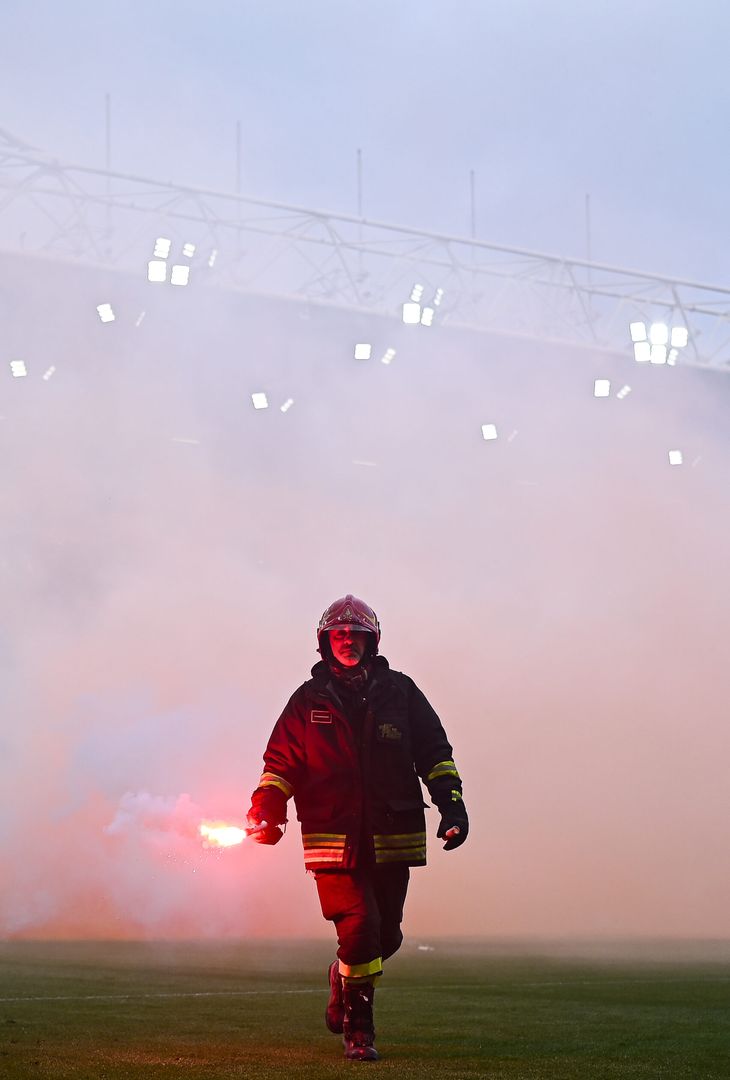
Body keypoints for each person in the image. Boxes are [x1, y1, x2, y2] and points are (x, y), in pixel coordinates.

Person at [246, 594, 468, 1062]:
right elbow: (280, 764)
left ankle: (341, 975)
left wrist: (451, 806)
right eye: (339, 635)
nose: (348, 641)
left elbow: (434, 753)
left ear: (373, 640)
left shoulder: (402, 693)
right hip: (333, 837)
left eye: (357, 635)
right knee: (361, 926)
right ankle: (359, 1029)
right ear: (325, 642)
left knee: (388, 938)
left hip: (393, 836)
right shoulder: (307, 701)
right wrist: (267, 808)